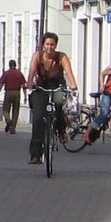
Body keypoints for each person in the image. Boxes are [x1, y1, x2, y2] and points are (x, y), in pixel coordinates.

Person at [25, 33, 76, 166]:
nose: (50, 47)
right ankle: (35, 154)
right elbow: (31, 72)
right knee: (38, 119)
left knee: (59, 106)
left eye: (52, 44)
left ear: (55, 45)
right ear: (43, 45)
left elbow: (69, 72)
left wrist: (73, 84)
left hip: (57, 87)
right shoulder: (37, 56)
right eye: (47, 44)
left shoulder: (61, 57)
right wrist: (29, 82)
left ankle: (61, 131)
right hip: (41, 88)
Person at [0, 59, 27, 134]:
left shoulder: (6, 73)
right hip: (17, 93)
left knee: (5, 110)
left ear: (9, 65)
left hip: (8, 92)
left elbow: (1, 84)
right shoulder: (19, 73)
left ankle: (8, 121)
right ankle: (13, 128)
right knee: (16, 111)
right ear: (15, 65)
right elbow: (24, 86)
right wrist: (25, 96)